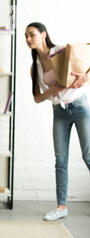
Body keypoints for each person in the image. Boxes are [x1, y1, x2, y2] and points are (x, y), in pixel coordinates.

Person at [25, 22, 90, 221]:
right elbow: (37, 97)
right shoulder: (34, 66)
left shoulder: (62, 51)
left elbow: (86, 60)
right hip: (59, 113)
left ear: (44, 35)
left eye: (32, 35)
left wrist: (84, 78)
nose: (28, 39)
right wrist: (50, 92)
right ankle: (61, 207)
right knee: (60, 161)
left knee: (88, 156)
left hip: (79, 107)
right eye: (26, 36)